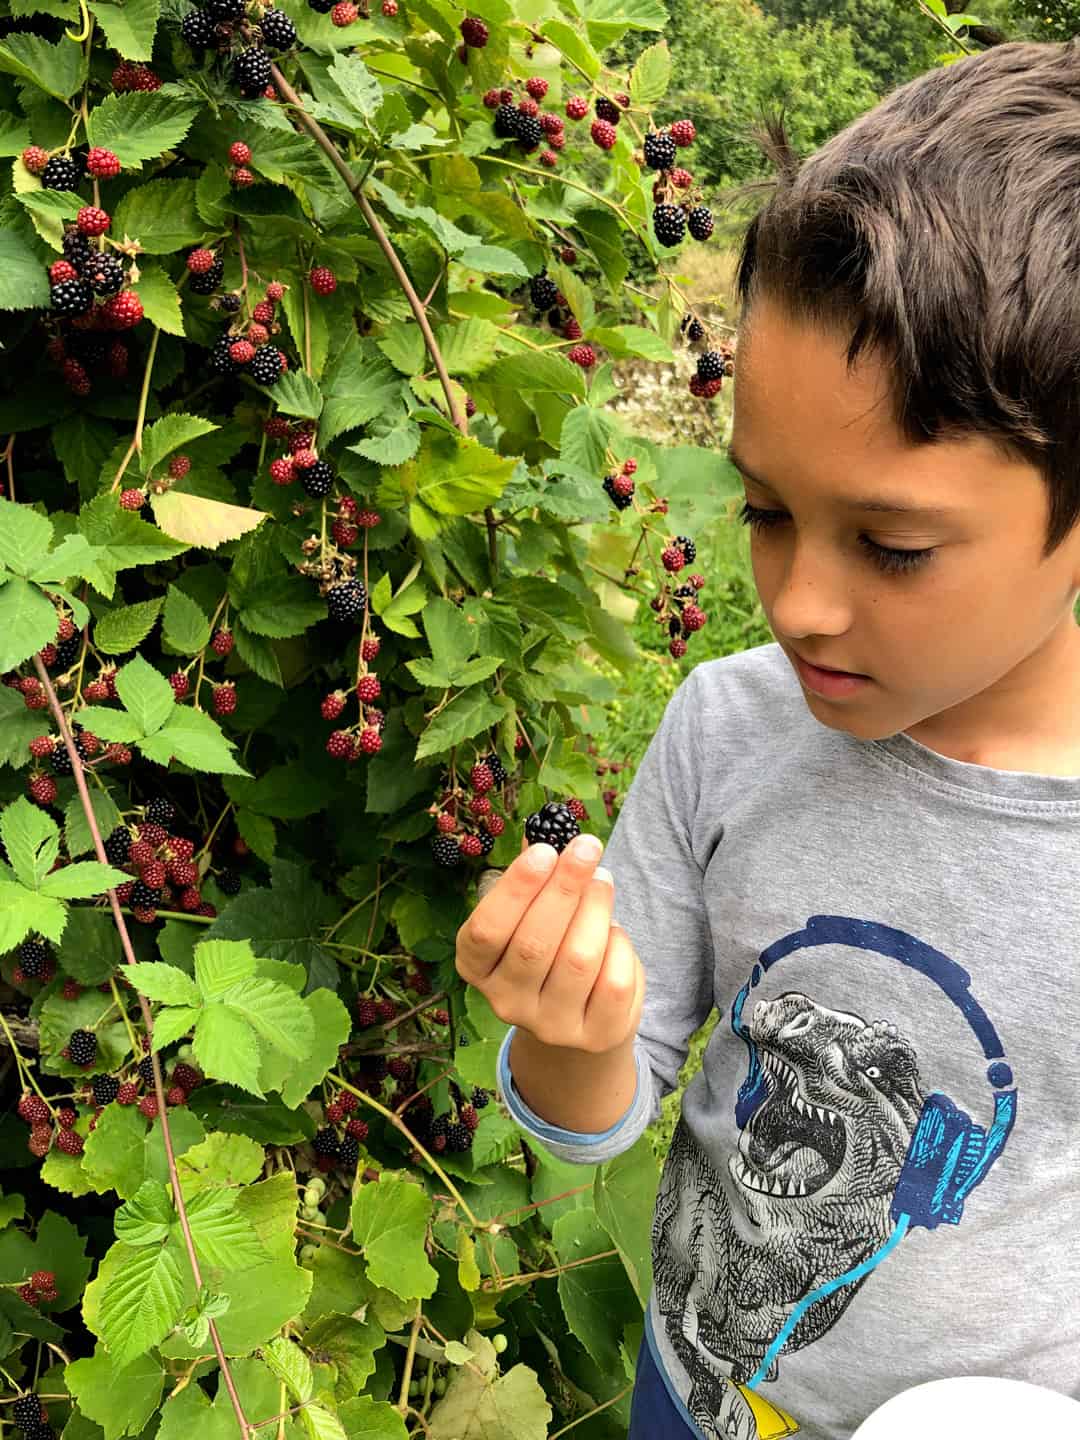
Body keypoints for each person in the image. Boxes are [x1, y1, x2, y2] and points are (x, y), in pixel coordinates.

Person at [454, 38, 1080, 1440]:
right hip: (696, 1400)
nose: (798, 603)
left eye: (896, 546)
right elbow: (602, 1109)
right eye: (765, 511)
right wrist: (576, 1031)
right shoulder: (724, 731)